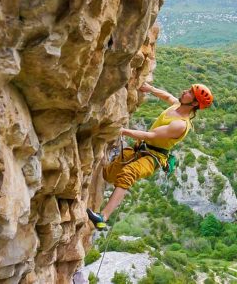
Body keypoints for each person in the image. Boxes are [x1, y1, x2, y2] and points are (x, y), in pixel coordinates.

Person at [87, 82, 213, 230]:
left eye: (190, 93)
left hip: (154, 157)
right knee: (108, 175)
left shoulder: (181, 124)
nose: (185, 91)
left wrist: (122, 130)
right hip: (140, 148)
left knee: (128, 173)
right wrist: (150, 89)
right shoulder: (176, 105)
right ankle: (111, 163)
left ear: (194, 103)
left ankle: (103, 217)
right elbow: (167, 96)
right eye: (189, 90)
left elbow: (151, 135)